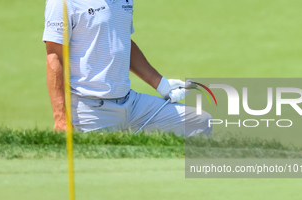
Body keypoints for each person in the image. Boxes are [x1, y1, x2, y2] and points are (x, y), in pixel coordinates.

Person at [43, 0, 211, 137]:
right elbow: (54, 56)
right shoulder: (62, 2)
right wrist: (61, 118)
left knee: (200, 121)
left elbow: (122, 42)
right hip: (90, 110)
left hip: (131, 104)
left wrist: (161, 84)